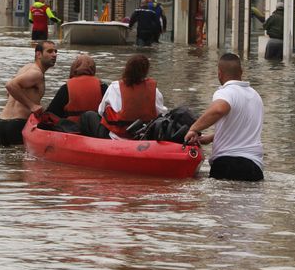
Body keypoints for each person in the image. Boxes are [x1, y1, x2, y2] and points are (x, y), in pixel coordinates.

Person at [184, 53, 264, 181]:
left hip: (227, 164)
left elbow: (219, 109)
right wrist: (210, 138)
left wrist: (193, 129)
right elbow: (241, 129)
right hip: (254, 167)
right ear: (241, 72)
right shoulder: (255, 96)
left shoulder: (225, 92)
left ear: (219, 74)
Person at [80, 54, 167, 139]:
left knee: (88, 116)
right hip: (144, 136)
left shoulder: (114, 87)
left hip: (116, 137)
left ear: (127, 69)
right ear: (146, 71)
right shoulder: (155, 91)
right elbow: (161, 113)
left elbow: (101, 111)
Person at [0, 41, 58, 146]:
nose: (54, 55)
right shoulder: (36, 73)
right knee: (20, 162)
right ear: (38, 54)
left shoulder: (25, 68)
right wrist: (32, 105)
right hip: (18, 124)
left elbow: (9, 92)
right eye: (50, 51)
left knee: (6, 161)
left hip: (2, 123)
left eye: (56, 51)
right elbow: (10, 86)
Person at [46, 54, 107, 122]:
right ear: (93, 69)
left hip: (70, 128)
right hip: (95, 128)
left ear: (74, 68)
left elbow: (51, 113)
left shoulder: (66, 88)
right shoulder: (103, 86)